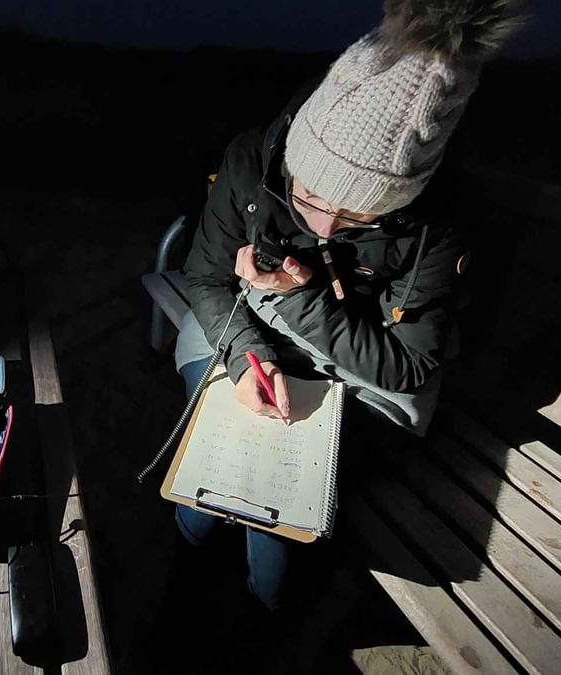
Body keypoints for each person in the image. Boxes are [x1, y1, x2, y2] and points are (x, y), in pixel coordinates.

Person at [172, 0, 525, 611]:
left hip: (358, 367)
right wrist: (247, 357)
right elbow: (205, 278)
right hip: (246, 331)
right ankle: (195, 564)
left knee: (274, 507)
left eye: (361, 214)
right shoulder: (251, 162)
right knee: (208, 468)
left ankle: (262, 605)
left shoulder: (439, 227)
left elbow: (408, 366)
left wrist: (297, 298)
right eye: (309, 192)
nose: (324, 226)